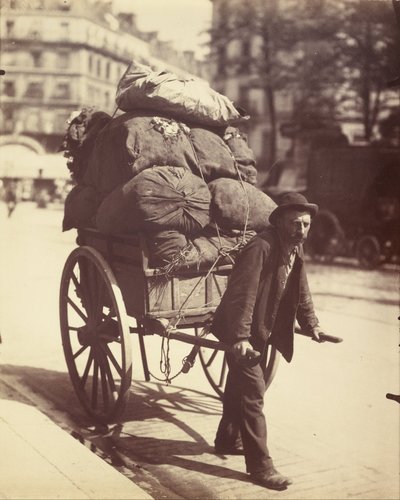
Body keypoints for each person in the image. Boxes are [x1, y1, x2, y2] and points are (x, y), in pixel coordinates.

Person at [211, 191, 326, 491]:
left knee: (240, 383)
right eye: (294, 223)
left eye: (305, 224)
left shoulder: (293, 249)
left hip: (260, 329)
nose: (300, 230)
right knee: (253, 390)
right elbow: (242, 294)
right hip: (243, 329)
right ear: (279, 222)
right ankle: (261, 467)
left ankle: (227, 438)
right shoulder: (260, 247)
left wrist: (312, 324)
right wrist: (238, 338)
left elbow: (301, 290)